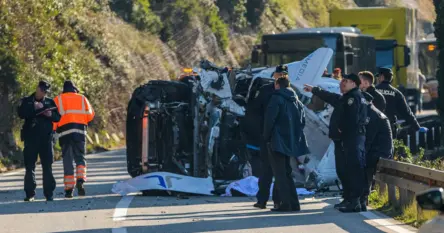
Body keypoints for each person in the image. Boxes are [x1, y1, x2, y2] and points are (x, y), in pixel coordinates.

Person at [304, 73, 367, 212]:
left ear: (354, 84)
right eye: (342, 80)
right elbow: (331, 97)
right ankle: (349, 198)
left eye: (347, 81)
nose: (342, 83)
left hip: (350, 139)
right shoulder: (346, 98)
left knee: (352, 170)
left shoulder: (353, 98)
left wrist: (341, 129)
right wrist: (314, 90)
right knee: (343, 170)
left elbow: (352, 120)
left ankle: (355, 201)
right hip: (344, 140)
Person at [263, 77, 309, 211]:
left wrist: (266, 137)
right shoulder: (297, 101)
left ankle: (285, 203)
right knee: (287, 172)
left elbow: (269, 120)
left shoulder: (276, 98)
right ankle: (294, 203)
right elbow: (302, 122)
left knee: (279, 173)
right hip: (291, 141)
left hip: (277, 140)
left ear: (277, 85)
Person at [18, 81, 61, 202]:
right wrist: (35, 109)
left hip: (46, 139)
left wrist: (49, 113)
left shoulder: (49, 102)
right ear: (37, 88)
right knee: (29, 166)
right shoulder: (26, 101)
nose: (43, 93)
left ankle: (49, 194)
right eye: (41, 90)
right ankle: (30, 193)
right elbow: (21, 114)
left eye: (45, 91)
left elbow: (57, 117)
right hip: (31, 138)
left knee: (47, 166)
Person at [252, 65, 287, 209]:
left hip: (282, 136)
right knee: (266, 170)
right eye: (278, 74)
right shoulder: (265, 90)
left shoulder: (289, 92)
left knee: (280, 171)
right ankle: (262, 200)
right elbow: (255, 111)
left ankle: (278, 201)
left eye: (283, 74)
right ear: (274, 76)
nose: (280, 76)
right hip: (266, 135)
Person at [53, 81, 95, 198]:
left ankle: (69, 189)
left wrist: (54, 130)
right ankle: (80, 179)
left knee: (68, 160)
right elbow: (90, 115)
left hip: (65, 135)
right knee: (80, 158)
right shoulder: (82, 98)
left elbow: (54, 118)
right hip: (80, 133)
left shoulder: (58, 99)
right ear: (74, 89)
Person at [360, 92, 393, 211]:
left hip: (380, 152)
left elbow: (369, 138)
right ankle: (361, 197)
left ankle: (362, 198)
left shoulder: (373, 115)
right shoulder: (371, 111)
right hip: (379, 150)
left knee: (363, 164)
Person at [375, 67, 423, 138]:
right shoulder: (397, 93)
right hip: (390, 127)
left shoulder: (374, 91)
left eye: (378, 76)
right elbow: (406, 112)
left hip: (375, 127)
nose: (377, 79)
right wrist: (417, 127)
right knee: (390, 148)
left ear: (382, 77)